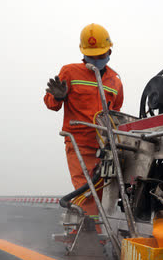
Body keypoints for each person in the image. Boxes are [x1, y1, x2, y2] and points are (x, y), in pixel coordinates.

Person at [44, 23, 123, 217]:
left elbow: (117, 114)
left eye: (100, 56)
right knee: (86, 193)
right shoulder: (70, 72)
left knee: (107, 194)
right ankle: (84, 239)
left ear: (109, 51)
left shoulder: (115, 80)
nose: (96, 60)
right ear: (83, 53)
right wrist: (59, 97)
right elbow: (51, 104)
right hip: (79, 144)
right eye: (91, 56)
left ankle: (101, 236)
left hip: (105, 146)